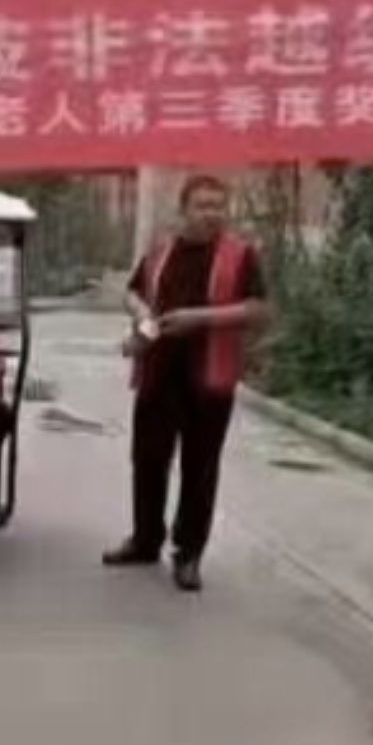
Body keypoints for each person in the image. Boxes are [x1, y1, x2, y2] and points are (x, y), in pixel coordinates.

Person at [103, 175, 270, 592]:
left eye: (218, 205)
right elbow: (132, 293)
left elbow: (258, 309)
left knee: (200, 467)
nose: (212, 213)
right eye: (203, 205)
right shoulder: (162, 249)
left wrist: (200, 318)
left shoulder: (240, 255)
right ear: (184, 210)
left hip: (209, 378)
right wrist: (142, 315)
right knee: (148, 460)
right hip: (158, 373)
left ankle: (189, 554)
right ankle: (145, 540)